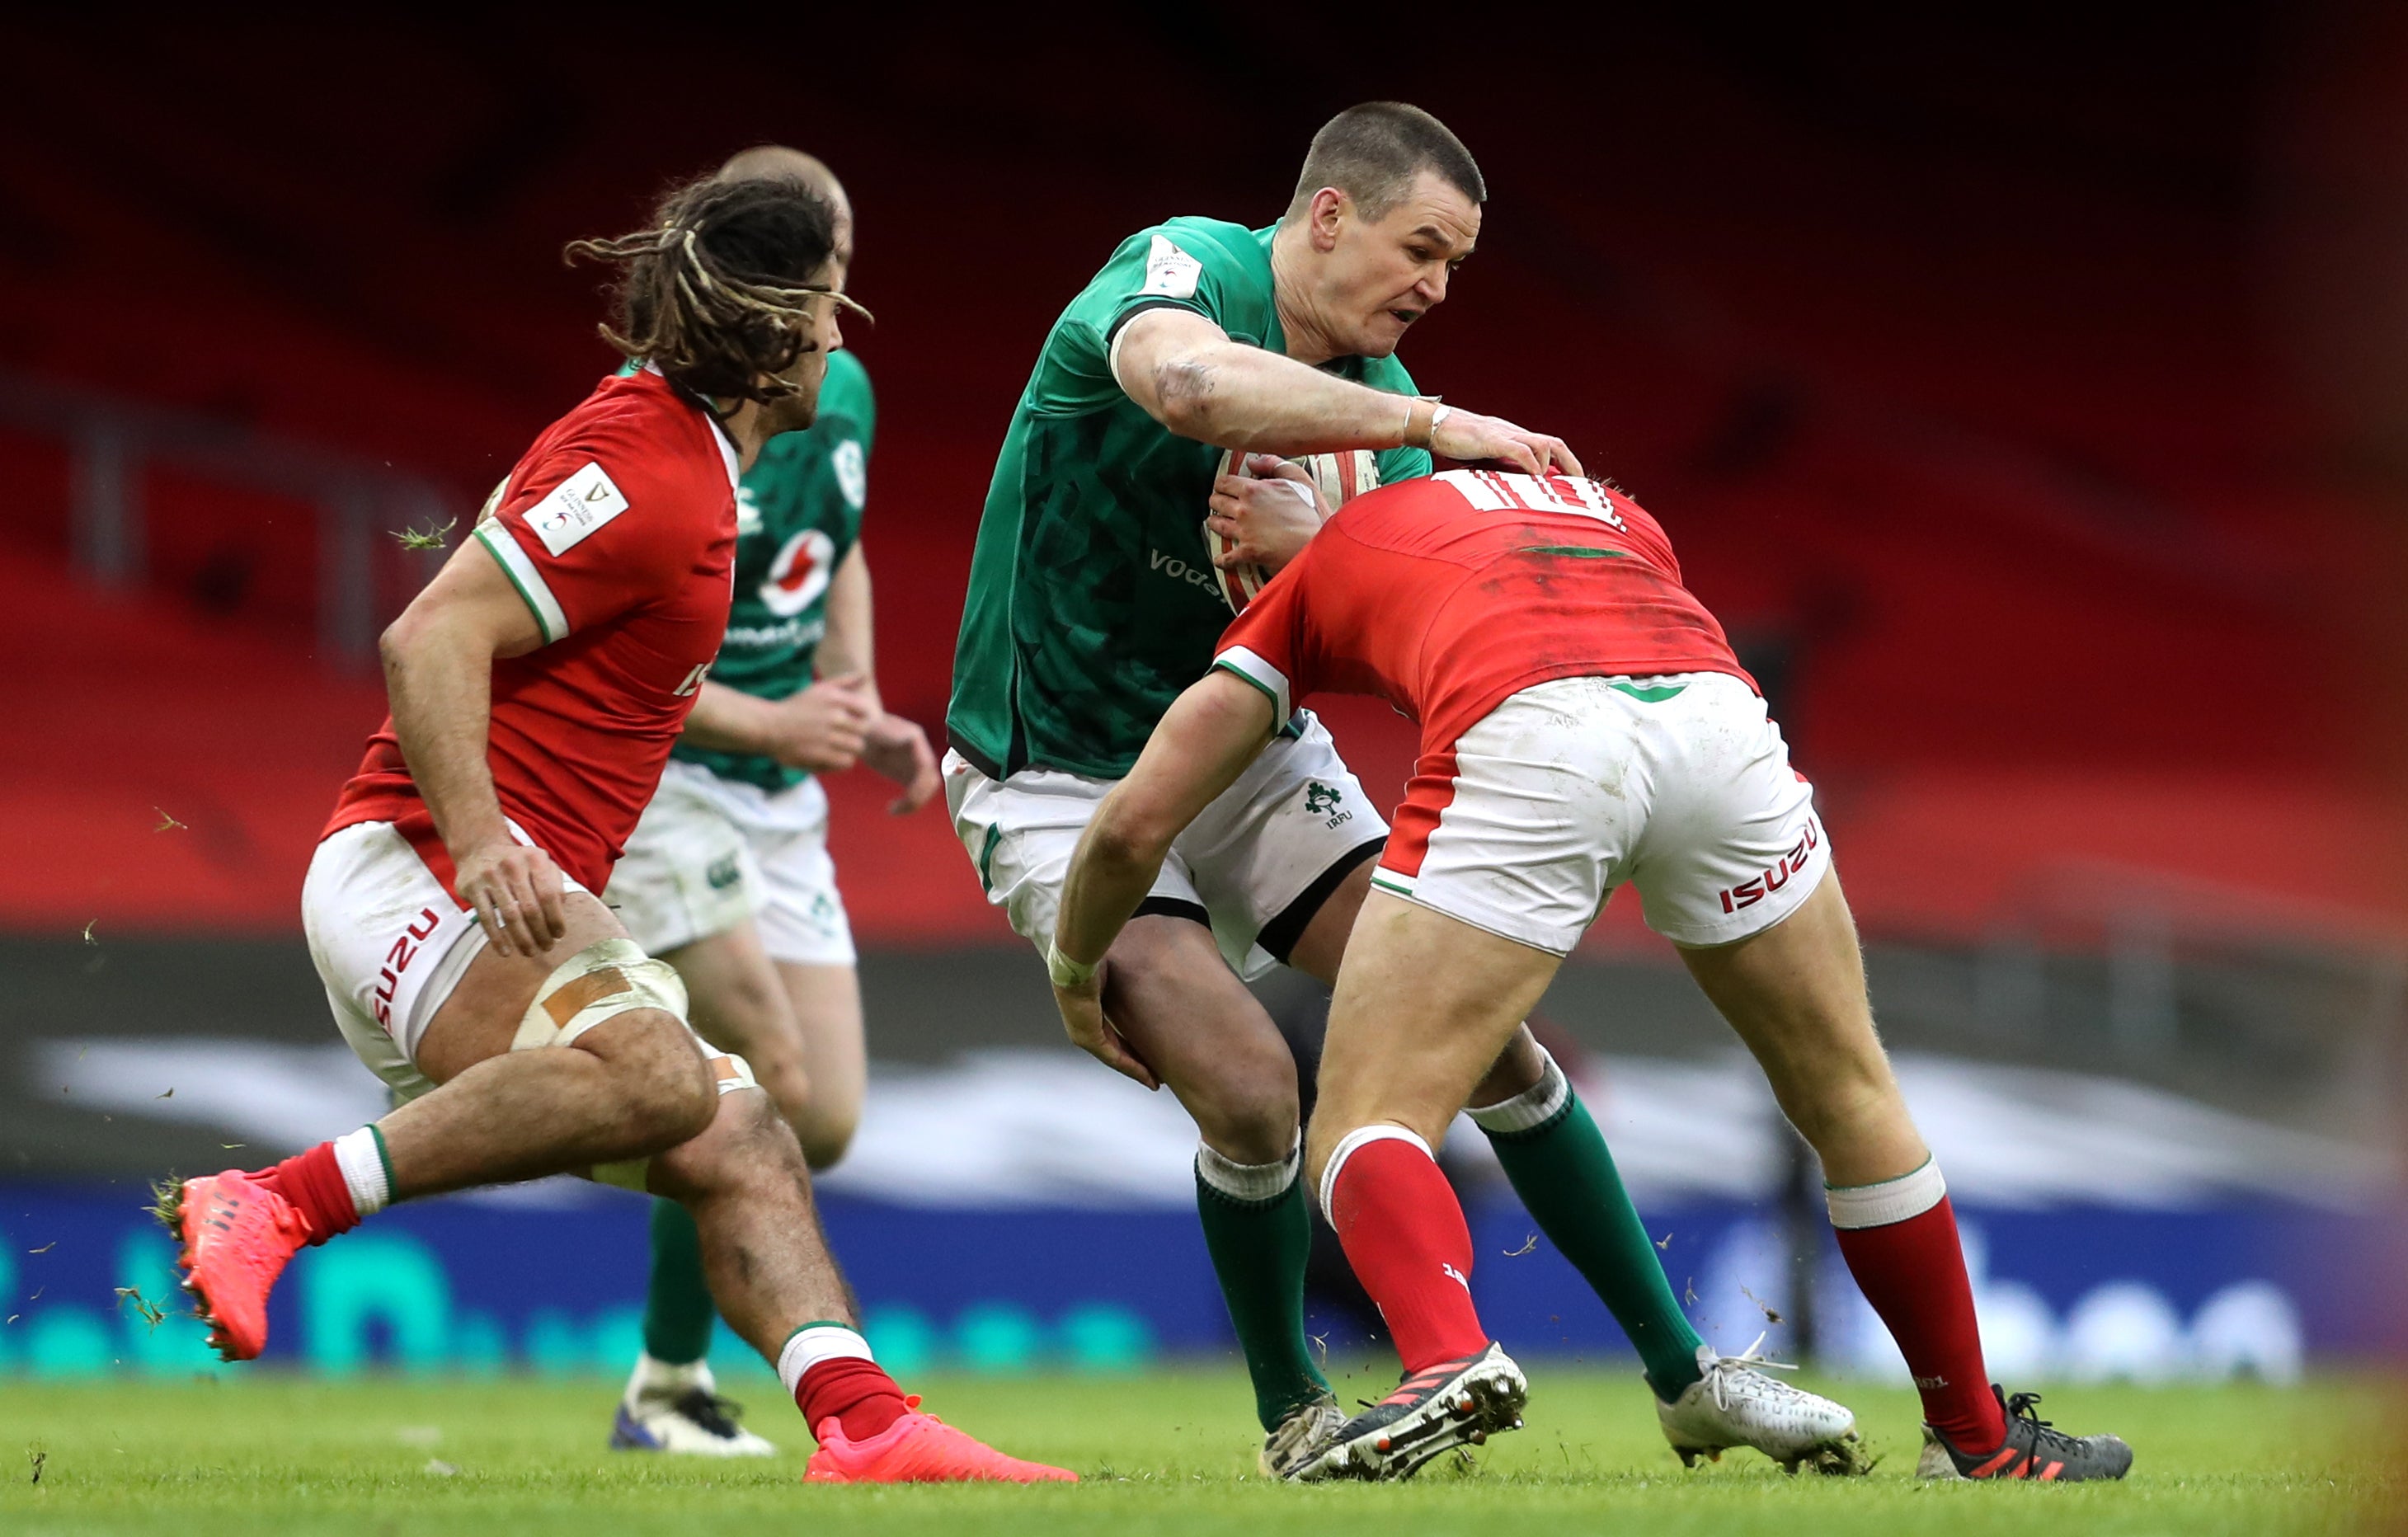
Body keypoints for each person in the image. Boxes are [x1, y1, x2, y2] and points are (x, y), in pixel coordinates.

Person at [946, 99, 1851, 1475]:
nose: (1434, 287)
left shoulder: (1389, 433)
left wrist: (1323, 549)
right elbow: (1190, 388)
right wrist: (1429, 420)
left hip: (1250, 755)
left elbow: (1407, 649)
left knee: (1494, 1044)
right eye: (1421, 248)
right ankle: (1294, 1416)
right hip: (1056, 766)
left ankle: (1688, 1376)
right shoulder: (1189, 268)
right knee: (1253, 1091)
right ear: (1328, 216)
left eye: (1457, 267)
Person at [158, 172, 1068, 1485]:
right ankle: (272, 1203)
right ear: (769, 333)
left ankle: (863, 1421)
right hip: (417, 874)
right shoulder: (646, 468)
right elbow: (428, 635)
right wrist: (480, 841)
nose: (839, 336)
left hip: (513, 894)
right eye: (825, 310)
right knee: (667, 1076)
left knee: (746, 1130)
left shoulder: (687, 456)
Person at [1048, 466, 2135, 1484]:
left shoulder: (1317, 571)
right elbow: (1481, 585)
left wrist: (1079, 960)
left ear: (1327, 500)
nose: (1231, 550)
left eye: (1246, 523)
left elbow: (1133, 825)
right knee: (1849, 1091)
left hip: (1541, 736)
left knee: (1367, 1118)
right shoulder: (1595, 500)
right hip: (1720, 726)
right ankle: (1978, 1439)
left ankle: (1446, 1358)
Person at [600, 146, 939, 1459]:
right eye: (818, 277)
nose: (834, 307)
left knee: (823, 1118)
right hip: (668, 777)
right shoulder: (650, 420)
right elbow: (618, 659)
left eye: (843, 273)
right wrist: (773, 717)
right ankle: (670, 1386)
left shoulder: (835, 390)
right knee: (763, 1088)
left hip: (782, 793)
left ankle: (622, 1122)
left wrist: (853, 702)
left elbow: (834, 551)